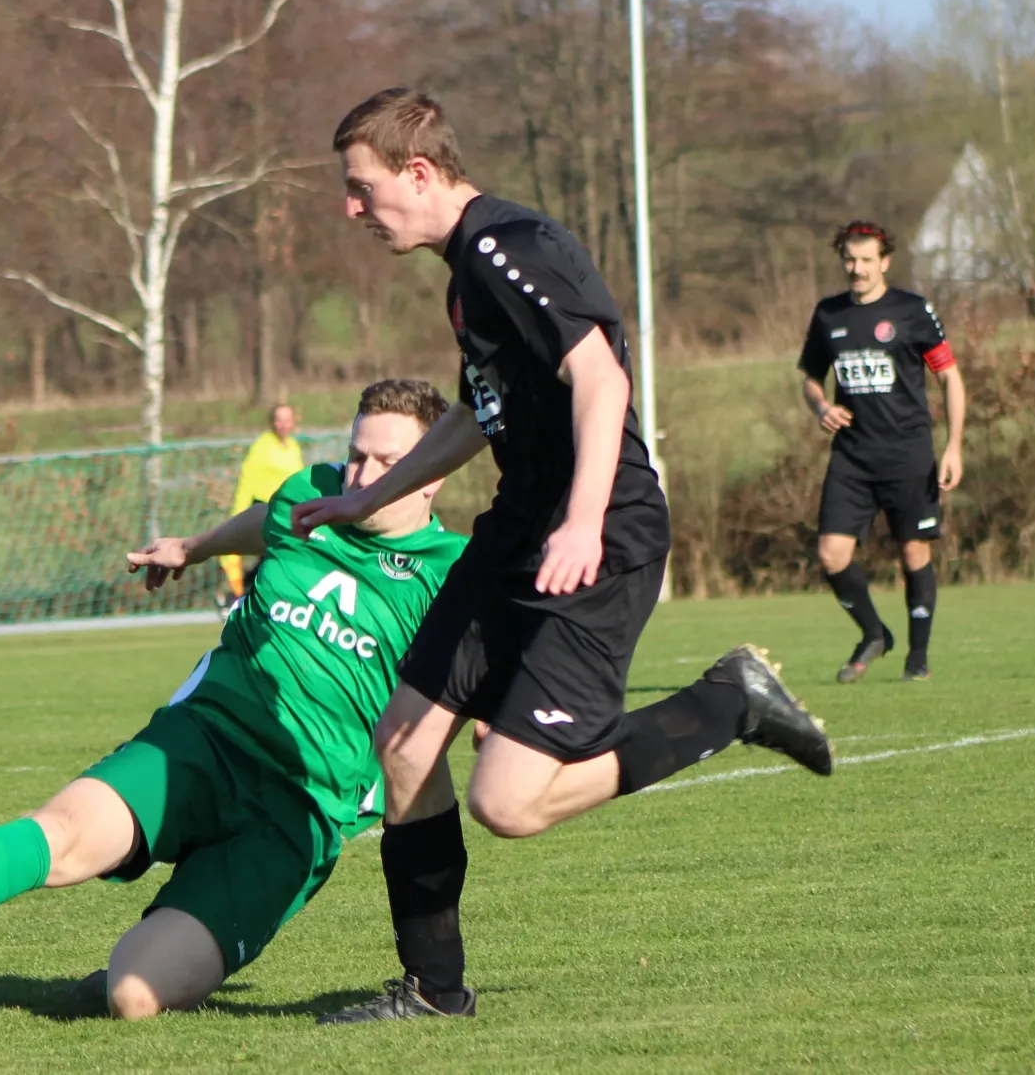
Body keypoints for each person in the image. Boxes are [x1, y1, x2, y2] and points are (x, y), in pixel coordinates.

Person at [295, 89, 834, 1023]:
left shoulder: (511, 247)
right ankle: (434, 990)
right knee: (404, 744)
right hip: (518, 531)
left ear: (417, 174)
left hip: (600, 536)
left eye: (361, 187)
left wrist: (582, 522)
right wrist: (365, 498)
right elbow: (476, 416)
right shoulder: (467, 273)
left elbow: (601, 379)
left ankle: (730, 703)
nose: (352, 208)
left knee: (508, 803)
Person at [0, 380, 468, 1020]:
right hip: (202, 742)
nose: (361, 475)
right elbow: (266, 520)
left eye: (387, 463)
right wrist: (193, 548)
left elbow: (477, 682)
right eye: (356, 454)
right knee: (64, 836)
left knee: (133, 995)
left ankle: (146, 954)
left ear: (433, 474)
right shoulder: (310, 491)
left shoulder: (451, 574)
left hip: (299, 810)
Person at [799, 221, 965, 683]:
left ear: (885, 262)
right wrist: (821, 407)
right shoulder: (829, 314)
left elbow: (949, 377)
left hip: (908, 454)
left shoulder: (911, 311)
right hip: (852, 457)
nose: (857, 269)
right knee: (831, 554)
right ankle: (874, 633)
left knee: (914, 553)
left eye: (867, 260)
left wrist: (953, 446)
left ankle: (918, 659)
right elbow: (811, 378)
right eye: (850, 260)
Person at [218, 403, 304, 605]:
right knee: (276, 553)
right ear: (272, 422)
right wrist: (239, 511)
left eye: (287, 419)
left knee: (277, 557)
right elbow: (247, 480)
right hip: (263, 509)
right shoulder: (262, 446)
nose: (283, 424)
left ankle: (240, 596)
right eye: (279, 420)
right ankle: (238, 595)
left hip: (285, 512)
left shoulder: (293, 446)